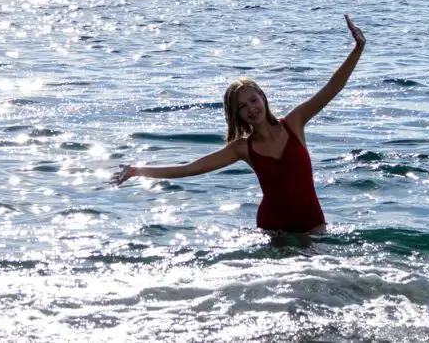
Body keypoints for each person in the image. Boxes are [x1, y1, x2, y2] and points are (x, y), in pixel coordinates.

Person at [111, 14, 366, 234]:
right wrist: (138, 170)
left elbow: (332, 87)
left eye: (253, 100)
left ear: (263, 98)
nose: (251, 109)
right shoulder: (242, 148)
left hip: (313, 224)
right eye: (242, 107)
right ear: (237, 116)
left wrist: (357, 49)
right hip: (272, 229)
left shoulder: (295, 123)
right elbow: (190, 168)